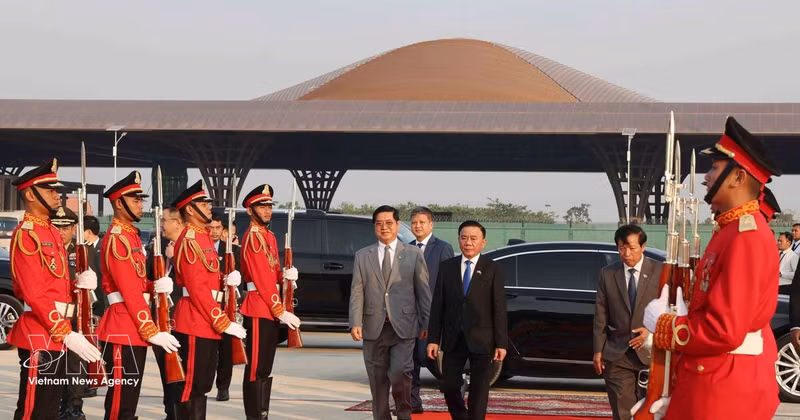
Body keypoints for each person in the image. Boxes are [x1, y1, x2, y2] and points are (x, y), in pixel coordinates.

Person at [643, 116, 782, 419]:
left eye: (715, 168)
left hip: (724, 387)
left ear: (738, 177)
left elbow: (724, 330)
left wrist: (667, 326)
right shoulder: (730, 230)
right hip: (714, 379)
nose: (706, 177)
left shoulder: (746, 237)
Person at [9, 159, 102, 420]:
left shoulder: (50, 231)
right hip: (41, 331)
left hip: (56, 332)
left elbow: (54, 283)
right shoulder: (28, 234)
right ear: (30, 194)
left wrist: (80, 285)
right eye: (50, 190)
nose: (57, 195)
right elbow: (34, 292)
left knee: (49, 409)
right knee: (33, 409)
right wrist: (65, 333)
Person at [95, 171, 181, 420]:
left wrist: (155, 285)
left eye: (141, 199)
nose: (141, 204)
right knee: (122, 399)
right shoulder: (118, 237)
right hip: (123, 324)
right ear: (119, 203)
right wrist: (151, 330)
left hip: (133, 324)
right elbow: (129, 290)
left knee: (129, 398)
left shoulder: (131, 235)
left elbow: (138, 282)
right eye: (135, 200)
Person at [170, 180, 247, 418]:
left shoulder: (203, 238)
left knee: (202, 384)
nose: (208, 207)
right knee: (192, 385)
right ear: (190, 209)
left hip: (206, 321)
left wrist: (227, 279)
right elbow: (197, 289)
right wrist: (223, 321)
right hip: (195, 319)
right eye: (203, 203)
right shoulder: (191, 239)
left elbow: (209, 280)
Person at [349, 205, 431, 420]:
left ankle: (404, 415)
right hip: (373, 327)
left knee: (399, 374)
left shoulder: (413, 254)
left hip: (404, 327)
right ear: (374, 227)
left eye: (388, 223)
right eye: (379, 223)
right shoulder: (362, 256)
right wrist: (355, 322)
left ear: (397, 225)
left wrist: (427, 323)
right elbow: (357, 292)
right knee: (377, 381)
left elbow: (423, 292)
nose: (384, 227)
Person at [427, 220, 507, 420]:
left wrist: (501, 343)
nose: (468, 242)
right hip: (453, 337)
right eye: (464, 238)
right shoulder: (447, 267)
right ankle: (461, 416)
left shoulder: (492, 269)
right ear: (458, 240)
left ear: (483, 242)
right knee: (449, 384)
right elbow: (438, 306)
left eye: (473, 238)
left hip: (482, 337)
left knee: (480, 389)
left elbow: (499, 308)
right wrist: (433, 339)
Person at [239, 184, 301, 419]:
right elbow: (261, 278)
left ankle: (261, 413)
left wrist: (287, 278)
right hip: (258, 306)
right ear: (250, 210)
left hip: (269, 306)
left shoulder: (269, 236)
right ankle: (254, 415)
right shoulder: (253, 237)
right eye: (261, 206)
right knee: (256, 367)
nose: (267, 210)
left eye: (268, 206)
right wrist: (279, 309)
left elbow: (272, 273)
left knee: (265, 366)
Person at [592, 224, 662, 420]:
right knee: (623, 411)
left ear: (643, 246)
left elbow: (670, 309)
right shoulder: (608, 274)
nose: (626, 253)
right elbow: (601, 313)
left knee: (651, 410)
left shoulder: (660, 271)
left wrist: (651, 332)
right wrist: (598, 349)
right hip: (617, 353)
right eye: (622, 247)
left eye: (631, 247)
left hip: (651, 352)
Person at [52, 206, 102, 420]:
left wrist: (97, 310)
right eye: (57, 227)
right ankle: (54, 403)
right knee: (52, 365)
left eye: (66, 227)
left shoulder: (84, 251)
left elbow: (96, 285)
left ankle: (74, 405)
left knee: (75, 364)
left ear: (74, 229)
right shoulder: (47, 249)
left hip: (75, 317)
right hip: (52, 317)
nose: (61, 232)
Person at [408, 206, 454, 413]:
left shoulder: (443, 248)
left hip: (433, 315)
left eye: (422, 222)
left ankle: (455, 390)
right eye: (414, 222)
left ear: (431, 224)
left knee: (429, 357)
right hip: (409, 315)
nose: (417, 226)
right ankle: (413, 402)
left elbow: (448, 283)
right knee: (409, 361)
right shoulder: (406, 247)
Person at [146, 206, 185, 420]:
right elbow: (149, 276)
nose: (162, 224)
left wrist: (176, 255)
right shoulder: (157, 247)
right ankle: (170, 411)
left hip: (181, 319)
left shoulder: (188, 246)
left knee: (182, 372)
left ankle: (179, 412)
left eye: (165, 220)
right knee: (166, 371)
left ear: (178, 223)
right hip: (160, 320)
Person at [209, 212, 242, 402]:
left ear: (223, 230)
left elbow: (241, 278)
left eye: (217, 228)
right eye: (210, 227)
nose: (213, 232)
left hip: (225, 306)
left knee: (226, 349)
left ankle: (223, 386)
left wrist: (236, 280)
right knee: (208, 351)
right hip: (207, 305)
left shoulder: (232, 250)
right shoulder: (199, 247)